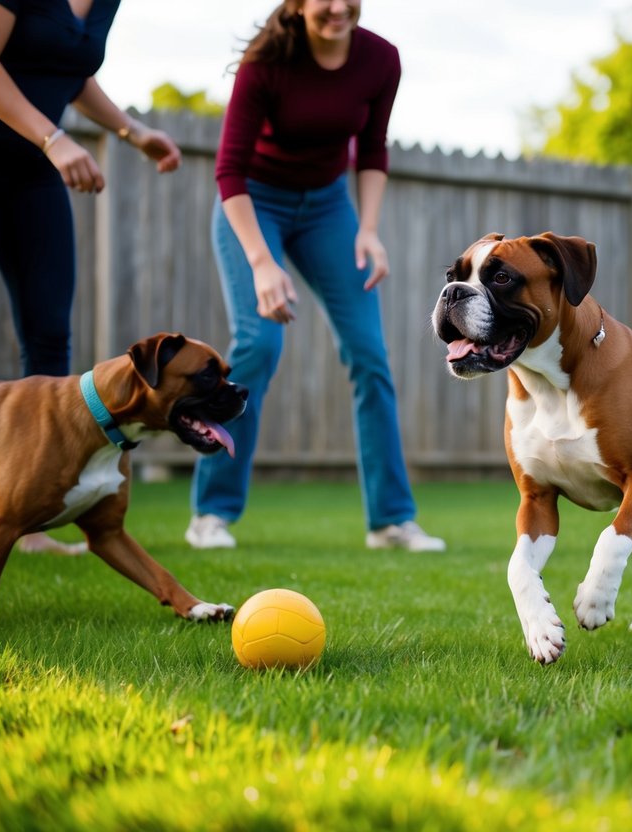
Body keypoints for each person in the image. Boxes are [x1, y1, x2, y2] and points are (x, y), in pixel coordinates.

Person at [0, 0, 181, 554]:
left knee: (48, 335)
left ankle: (31, 511)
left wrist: (132, 131)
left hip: (29, 170)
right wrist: (54, 138)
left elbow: (71, 69)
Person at [184, 0, 443, 552]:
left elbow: (372, 149)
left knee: (369, 354)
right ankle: (212, 512)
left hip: (329, 209)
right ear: (297, 4)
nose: (336, 7)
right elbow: (228, 170)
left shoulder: (380, 60)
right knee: (258, 345)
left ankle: (391, 520)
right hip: (255, 205)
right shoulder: (267, 62)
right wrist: (261, 262)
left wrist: (368, 229)